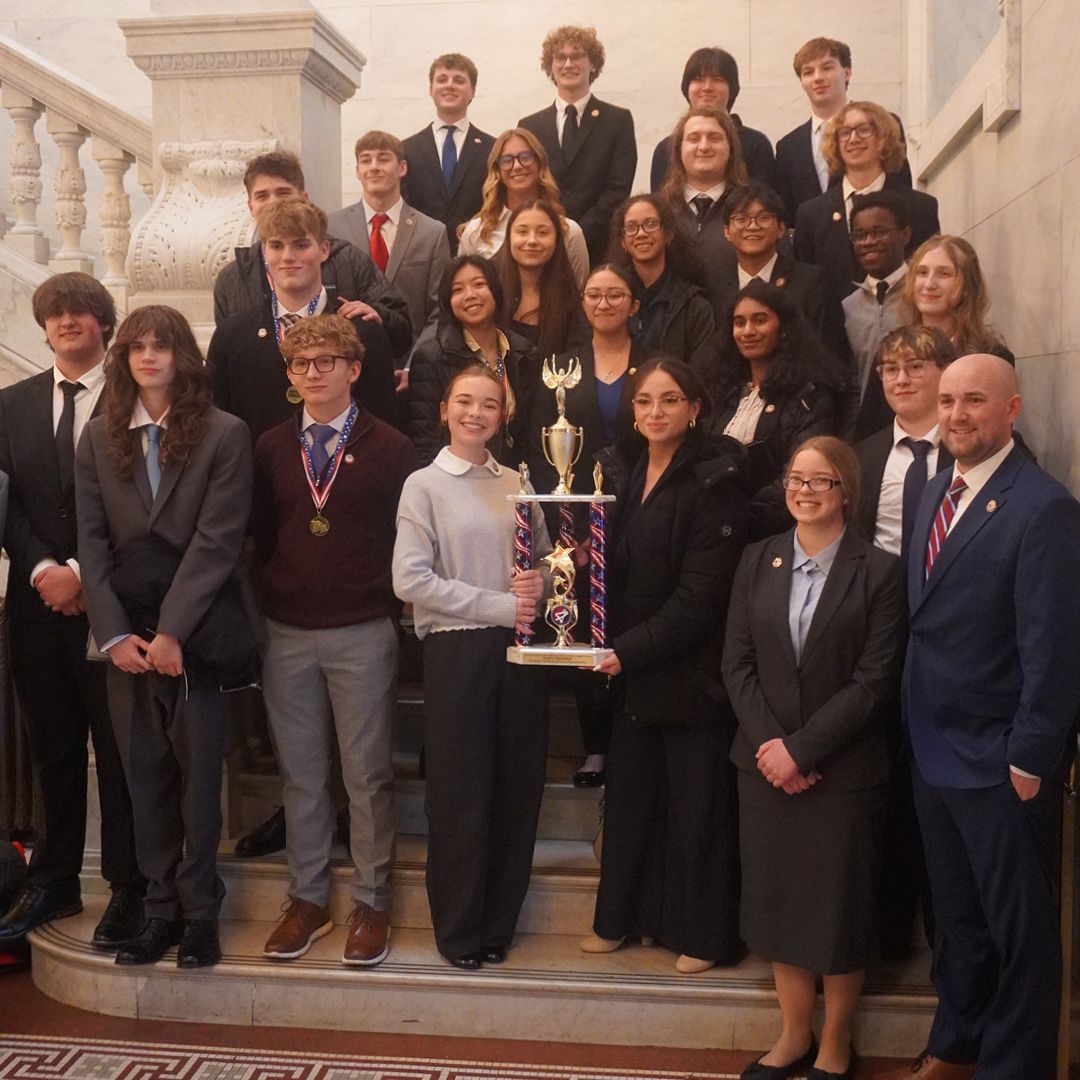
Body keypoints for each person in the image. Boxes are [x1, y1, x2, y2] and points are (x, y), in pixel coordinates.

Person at [879, 354, 1080, 1080]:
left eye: (975, 402)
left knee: (1020, 934)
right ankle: (956, 1045)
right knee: (958, 924)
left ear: (1011, 409)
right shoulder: (934, 491)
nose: (958, 415)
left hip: (999, 765)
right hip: (930, 750)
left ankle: (1012, 1067)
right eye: (950, 400)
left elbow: (1053, 650)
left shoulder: (1043, 507)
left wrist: (1029, 761)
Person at [75, 305, 255, 968]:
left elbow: (217, 541)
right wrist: (112, 634)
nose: (149, 358)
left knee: (197, 781)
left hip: (196, 633)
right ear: (122, 358)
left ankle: (202, 913)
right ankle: (158, 912)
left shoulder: (223, 434)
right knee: (142, 777)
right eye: (136, 348)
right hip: (126, 638)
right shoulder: (99, 437)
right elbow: (90, 543)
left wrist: (174, 631)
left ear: (183, 355)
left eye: (162, 346)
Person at [723, 435, 904, 1080]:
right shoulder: (757, 559)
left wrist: (803, 750)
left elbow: (874, 680)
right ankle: (793, 1034)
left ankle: (834, 1042)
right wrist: (775, 749)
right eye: (795, 478)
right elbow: (737, 664)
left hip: (843, 772)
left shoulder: (880, 571)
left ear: (846, 494)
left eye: (819, 481)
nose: (802, 490)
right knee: (777, 905)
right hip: (765, 770)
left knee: (837, 908)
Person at [251, 314, 417, 967]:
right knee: (300, 775)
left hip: (363, 630)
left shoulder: (393, 447)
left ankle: (372, 901)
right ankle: (309, 899)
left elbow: (407, 541)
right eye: (303, 363)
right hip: (285, 629)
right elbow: (260, 535)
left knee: (368, 774)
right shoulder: (267, 447)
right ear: (290, 376)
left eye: (327, 360)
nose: (315, 371)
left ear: (353, 368)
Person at [581, 359, 749, 974]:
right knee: (629, 800)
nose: (656, 412)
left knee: (698, 810)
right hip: (631, 667)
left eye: (670, 400)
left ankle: (703, 936)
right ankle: (620, 920)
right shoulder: (619, 468)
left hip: (689, 672)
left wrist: (627, 650)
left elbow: (701, 598)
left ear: (695, 407)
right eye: (645, 400)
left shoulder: (716, 478)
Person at [0, 274, 143, 949]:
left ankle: (129, 887)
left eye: (79, 310)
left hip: (112, 603)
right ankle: (56, 878)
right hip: (36, 608)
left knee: (118, 754)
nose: (65, 320)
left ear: (103, 322)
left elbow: (142, 502)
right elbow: (12, 507)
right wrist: (43, 571)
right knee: (55, 750)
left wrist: (84, 574)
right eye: (54, 313)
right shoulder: (11, 404)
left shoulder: (137, 398)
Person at [393, 365, 551, 969]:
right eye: (464, 401)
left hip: (520, 654)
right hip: (458, 650)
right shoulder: (423, 485)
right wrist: (500, 605)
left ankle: (496, 927)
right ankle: (458, 931)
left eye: (489, 404)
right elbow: (409, 579)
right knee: (461, 796)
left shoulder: (517, 481)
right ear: (444, 409)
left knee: (516, 790)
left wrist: (541, 579)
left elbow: (538, 561)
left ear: (502, 414)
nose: (476, 413)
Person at [854, 325, 955, 963]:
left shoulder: (974, 452)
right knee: (882, 792)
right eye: (890, 368)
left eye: (915, 366)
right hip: (879, 640)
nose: (900, 378)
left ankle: (950, 945)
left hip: (948, 644)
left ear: (944, 374)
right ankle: (886, 939)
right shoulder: (862, 457)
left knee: (937, 798)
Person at [528, 264, 644, 787]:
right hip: (573, 520)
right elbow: (540, 445)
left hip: (640, 512)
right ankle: (595, 745)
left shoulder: (654, 366)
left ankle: (633, 739)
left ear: (633, 304)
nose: (603, 302)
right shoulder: (560, 365)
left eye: (615, 294)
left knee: (631, 623)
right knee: (580, 626)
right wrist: (566, 531)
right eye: (594, 294)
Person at [208, 198, 398, 442]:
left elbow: (385, 431)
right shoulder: (231, 337)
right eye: (276, 246)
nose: (288, 256)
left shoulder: (363, 330)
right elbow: (218, 430)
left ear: (324, 250)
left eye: (300, 245)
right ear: (264, 253)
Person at [213, 150, 411, 358]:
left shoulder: (349, 260)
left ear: (304, 199)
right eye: (262, 196)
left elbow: (401, 335)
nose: (274, 203)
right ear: (251, 206)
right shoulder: (232, 279)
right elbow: (227, 354)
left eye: (283, 193)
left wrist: (379, 317)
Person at [699, 279, 844, 536]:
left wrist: (740, 520)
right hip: (713, 529)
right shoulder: (720, 391)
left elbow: (798, 474)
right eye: (739, 322)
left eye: (760, 320)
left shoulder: (809, 396)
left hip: (773, 533)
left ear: (784, 329)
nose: (748, 331)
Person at [328, 130, 452, 393]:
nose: (373, 167)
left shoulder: (432, 232)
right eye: (366, 160)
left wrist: (414, 365)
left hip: (408, 374)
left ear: (402, 167)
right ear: (358, 170)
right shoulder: (331, 228)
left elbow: (439, 311)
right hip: (343, 374)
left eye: (383, 159)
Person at [794, 102, 939, 302]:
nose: (853, 139)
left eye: (863, 130)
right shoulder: (811, 214)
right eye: (844, 132)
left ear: (884, 138)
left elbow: (929, 277)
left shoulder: (921, 207)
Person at [518, 25, 636, 262]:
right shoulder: (529, 126)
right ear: (551, 66)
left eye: (577, 56)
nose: (568, 64)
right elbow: (527, 186)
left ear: (593, 64)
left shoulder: (618, 120)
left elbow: (618, 189)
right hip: (543, 247)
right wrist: (549, 230)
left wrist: (577, 233)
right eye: (560, 58)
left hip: (600, 248)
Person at [409, 255, 540, 466]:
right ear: (448, 302)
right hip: (455, 478)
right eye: (458, 290)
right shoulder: (432, 357)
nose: (469, 295)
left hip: (514, 479)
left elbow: (534, 434)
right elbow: (425, 441)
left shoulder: (524, 352)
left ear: (495, 290)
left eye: (479, 284)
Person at [774, 38, 914, 227]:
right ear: (802, 83)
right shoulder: (788, 147)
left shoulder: (885, 123)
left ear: (847, 73)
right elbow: (790, 217)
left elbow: (902, 190)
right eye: (808, 72)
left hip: (880, 240)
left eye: (827, 68)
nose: (817, 77)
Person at [706, 181, 838, 354]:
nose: (752, 226)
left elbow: (825, 352)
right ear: (727, 232)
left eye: (764, 218)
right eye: (741, 219)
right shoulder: (714, 288)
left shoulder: (811, 282)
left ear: (781, 229)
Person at [458, 127, 590, 288]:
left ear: (540, 163)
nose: (517, 166)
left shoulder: (568, 231)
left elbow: (578, 296)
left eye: (525, 157)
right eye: (507, 160)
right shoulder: (476, 232)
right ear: (497, 170)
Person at [402, 54, 496, 257]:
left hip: (478, 257)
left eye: (459, 80)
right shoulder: (406, 150)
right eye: (442, 79)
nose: (450, 85)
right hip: (420, 257)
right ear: (431, 89)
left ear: (472, 91)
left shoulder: (493, 148)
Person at [649, 47, 775, 192]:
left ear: (732, 89)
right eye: (698, 79)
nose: (707, 87)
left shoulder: (756, 144)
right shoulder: (665, 149)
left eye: (717, 79)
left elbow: (763, 205)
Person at [608, 195, 715, 365]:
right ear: (623, 241)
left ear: (669, 234)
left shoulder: (694, 307)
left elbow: (699, 376)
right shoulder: (607, 299)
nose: (641, 234)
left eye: (651, 224)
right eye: (631, 227)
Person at [844, 191, 914, 440]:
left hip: (922, 429)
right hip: (866, 437)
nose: (868, 241)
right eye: (859, 235)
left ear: (905, 234)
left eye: (880, 232)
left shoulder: (925, 295)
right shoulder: (846, 307)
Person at [493, 199, 590, 355]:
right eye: (522, 231)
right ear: (509, 237)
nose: (532, 240)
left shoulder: (570, 304)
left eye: (543, 232)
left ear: (556, 240)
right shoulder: (488, 288)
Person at [902, 234, 1014, 362]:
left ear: (967, 287)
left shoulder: (991, 356)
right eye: (922, 272)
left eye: (944, 274)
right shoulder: (892, 353)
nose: (929, 284)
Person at [659, 106, 748, 247]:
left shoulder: (753, 208)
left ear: (730, 148)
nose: (704, 147)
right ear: (679, 150)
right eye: (694, 139)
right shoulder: (658, 213)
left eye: (714, 138)